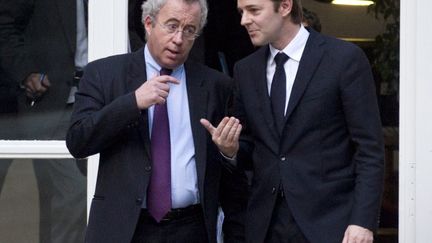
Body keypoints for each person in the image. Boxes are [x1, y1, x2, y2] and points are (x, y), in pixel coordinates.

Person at [201, 0, 385, 242]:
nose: (244, 20)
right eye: (241, 12)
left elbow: (369, 149)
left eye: (254, 10)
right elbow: (252, 147)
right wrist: (230, 150)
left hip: (330, 223)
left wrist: (362, 221)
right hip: (265, 226)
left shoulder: (344, 59)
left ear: (285, 6)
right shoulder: (245, 70)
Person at [66, 0, 242, 242]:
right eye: (171, 26)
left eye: (189, 30)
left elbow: (235, 175)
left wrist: (229, 153)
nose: (179, 39)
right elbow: (78, 141)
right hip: (126, 228)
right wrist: (133, 102)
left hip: (191, 229)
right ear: (149, 24)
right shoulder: (104, 74)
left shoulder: (216, 86)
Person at [0, 0, 89, 242]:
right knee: (73, 193)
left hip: (99, 99)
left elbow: (132, 27)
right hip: (49, 103)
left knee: (87, 196)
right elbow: (4, 26)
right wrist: (27, 72)